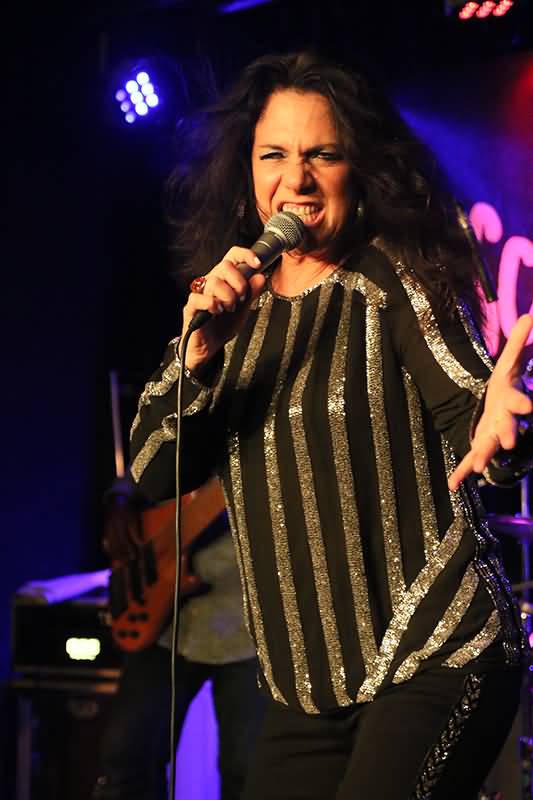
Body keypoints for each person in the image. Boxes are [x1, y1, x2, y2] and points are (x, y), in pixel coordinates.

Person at [128, 51, 533, 800]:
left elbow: (479, 421)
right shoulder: (230, 309)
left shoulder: (395, 277)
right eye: (274, 155)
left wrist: (505, 423)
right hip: (305, 696)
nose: (298, 179)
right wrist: (198, 359)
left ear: (359, 168)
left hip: (437, 650)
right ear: (246, 170)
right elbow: (155, 471)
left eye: (323, 154)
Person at [92, 472, 265, 800]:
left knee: (246, 770)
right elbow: (146, 464)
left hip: (247, 625)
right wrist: (120, 500)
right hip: (166, 622)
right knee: (126, 757)